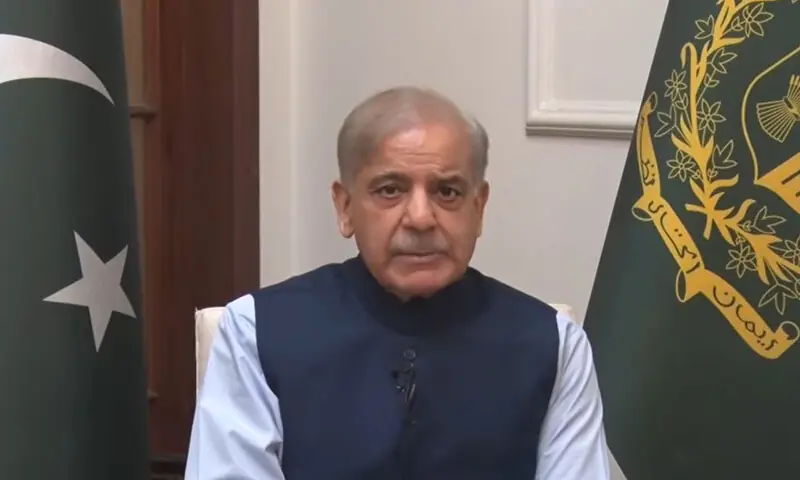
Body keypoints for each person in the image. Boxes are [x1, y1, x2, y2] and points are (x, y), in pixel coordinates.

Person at [184, 86, 611, 479]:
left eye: (447, 192)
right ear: (345, 207)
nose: (421, 218)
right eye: (390, 190)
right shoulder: (255, 334)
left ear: (478, 208)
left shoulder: (554, 345)